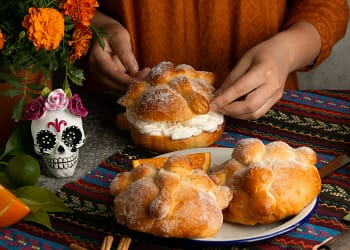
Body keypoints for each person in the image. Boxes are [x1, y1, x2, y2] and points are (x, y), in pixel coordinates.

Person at [87, 0, 349, 120]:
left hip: (261, 113)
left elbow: (327, 6)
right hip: (114, 118)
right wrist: (93, 26)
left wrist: (287, 51)